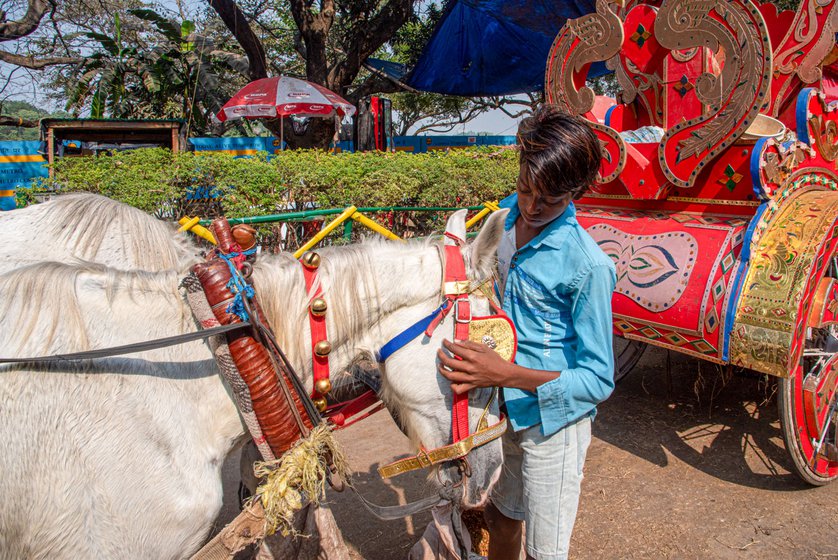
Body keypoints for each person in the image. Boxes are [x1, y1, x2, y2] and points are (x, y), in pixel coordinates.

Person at [438, 104, 616, 560]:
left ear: (576, 192)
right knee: (501, 516)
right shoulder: (504, 222)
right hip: (503, 416)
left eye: (551, 200)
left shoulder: (588, 265)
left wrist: (502, 373)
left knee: (544, 551)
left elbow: (597, 381)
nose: (533, 207)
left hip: (552, 428)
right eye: (525, 188)